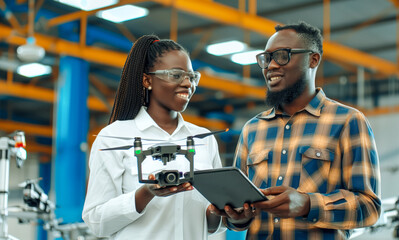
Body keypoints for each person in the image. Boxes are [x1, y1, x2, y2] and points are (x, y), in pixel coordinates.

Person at [209, 21, 381, 239]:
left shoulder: (347, 121)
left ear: (313, 59)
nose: (270, 66)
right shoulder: (252, 129)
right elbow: (237, 214)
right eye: (266, 58)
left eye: (282, 55)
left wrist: (308, 204)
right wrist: (237, 217)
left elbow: (370, 207)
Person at [82, 35, 223, 239]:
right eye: (176, 75)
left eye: (192, 77)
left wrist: (222, 214)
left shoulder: (204, 139)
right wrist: (145, 193)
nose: (187, 83)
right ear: (147, 80)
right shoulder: (114, 137)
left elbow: (212, 223)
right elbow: (95, 220)